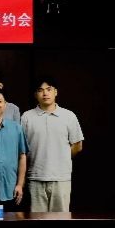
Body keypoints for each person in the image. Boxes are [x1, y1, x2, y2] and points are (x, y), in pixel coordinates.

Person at [21, 76, 84, 212]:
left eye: (49, 89)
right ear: (35, 94)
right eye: (40, 90)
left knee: (60, 219)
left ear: (56, 92)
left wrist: (62, 156)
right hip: (35, 177)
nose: (45, 93)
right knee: (36, 219)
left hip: (61, 178)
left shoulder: (69, 116)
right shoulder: (26, 117)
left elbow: (77, 145)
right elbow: (21, 149)